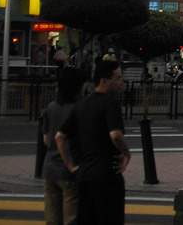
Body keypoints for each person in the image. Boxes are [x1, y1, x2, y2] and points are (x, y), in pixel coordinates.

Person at [55, 59, 131, 225]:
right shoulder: (111, 103)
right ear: (104, 81)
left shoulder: (81, 104)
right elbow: (115, 135)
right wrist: (127, 153)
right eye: (117, 78)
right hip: (107, 176)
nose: (121, 83)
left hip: (84, 175)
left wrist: (72, 166)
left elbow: (59, 136)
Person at [41, 67, 84, 225]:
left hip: (50, 169)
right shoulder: (80, 108)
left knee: (52, 219)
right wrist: (72, 165)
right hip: (70, 170)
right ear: (78, 85)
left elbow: (46, 139)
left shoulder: (51, 107)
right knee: (71, 218)